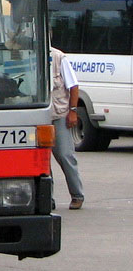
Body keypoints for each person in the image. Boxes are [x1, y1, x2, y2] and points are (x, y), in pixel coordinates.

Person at [50, 45, 85, 210]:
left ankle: (77, 195)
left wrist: (72, 112)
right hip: (36, 117)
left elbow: (73, 86)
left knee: (64, 155)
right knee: (40, 161)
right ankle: (46, 198)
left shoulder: (58, 57)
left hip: (59, 115)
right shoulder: (23, 55)